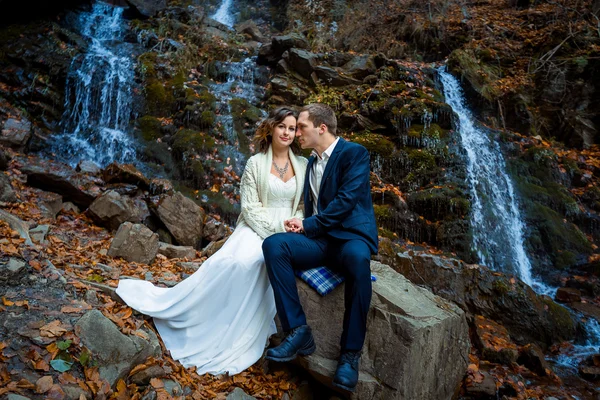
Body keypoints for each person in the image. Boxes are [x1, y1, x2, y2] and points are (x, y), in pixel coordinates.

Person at [116, 107, 308, 375]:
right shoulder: (255, 163)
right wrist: (277, 227)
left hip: (290, 231)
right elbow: (250, 209)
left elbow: (302, 205)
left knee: (263, 263)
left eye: (291, 128)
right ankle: (205, 320)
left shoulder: (303, 165)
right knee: (239, 262)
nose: (286, 132)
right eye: (282, 127)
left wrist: (295, 224)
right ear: (272, 128)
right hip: (256, 228)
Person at [262, 103, 378, 392]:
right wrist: (301, 223)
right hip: (322, 241)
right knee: (274, 246)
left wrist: (308, 225)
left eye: (300, 127)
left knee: (357, 260)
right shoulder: (312, 162)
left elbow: (346, 201)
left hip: (351, 237)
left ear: (321, 128)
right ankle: (298, 331)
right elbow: (317, 210)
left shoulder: (355, 153)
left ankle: (350, 356)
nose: (295, 132)